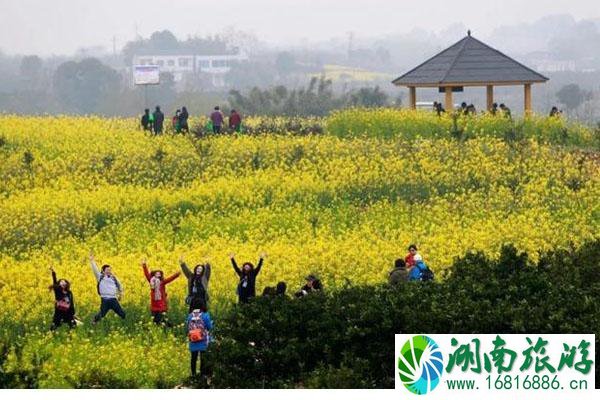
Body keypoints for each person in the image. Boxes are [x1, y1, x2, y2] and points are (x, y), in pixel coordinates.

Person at [141, 259, 181, 325]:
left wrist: (177, 274)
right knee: (154, 320)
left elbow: (170, 279)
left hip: (161, 304)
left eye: (159, 274)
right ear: (154, 274)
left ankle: (170, 327)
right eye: (157, 273)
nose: (158, 274)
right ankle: (163, 328)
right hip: (154, 304)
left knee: (162, 320)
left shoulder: (162, 282)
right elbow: (147, 274)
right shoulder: (151, 282)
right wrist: (144, 265)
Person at [90, 252, 126, 323]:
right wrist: (92, 261)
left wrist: (120, 294)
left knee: (122, 313)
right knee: (102, 313)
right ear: (103, 271)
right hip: (105, 299)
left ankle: (125, 322)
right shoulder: (100, 277)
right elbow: (95, 270)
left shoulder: (114, 278)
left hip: (113, 299)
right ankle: (94, 321)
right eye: (107, 270)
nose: (109, 271)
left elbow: (119, 285)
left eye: (110, 270)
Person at [186, 300, 213, 378]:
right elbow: (209, 327)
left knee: (193, 358)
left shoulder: (190, 316)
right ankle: (202, 374)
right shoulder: (205, 315)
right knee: (203, 358)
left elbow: (187, 328)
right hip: (203, 341)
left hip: (193, 340)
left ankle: (193, 374)